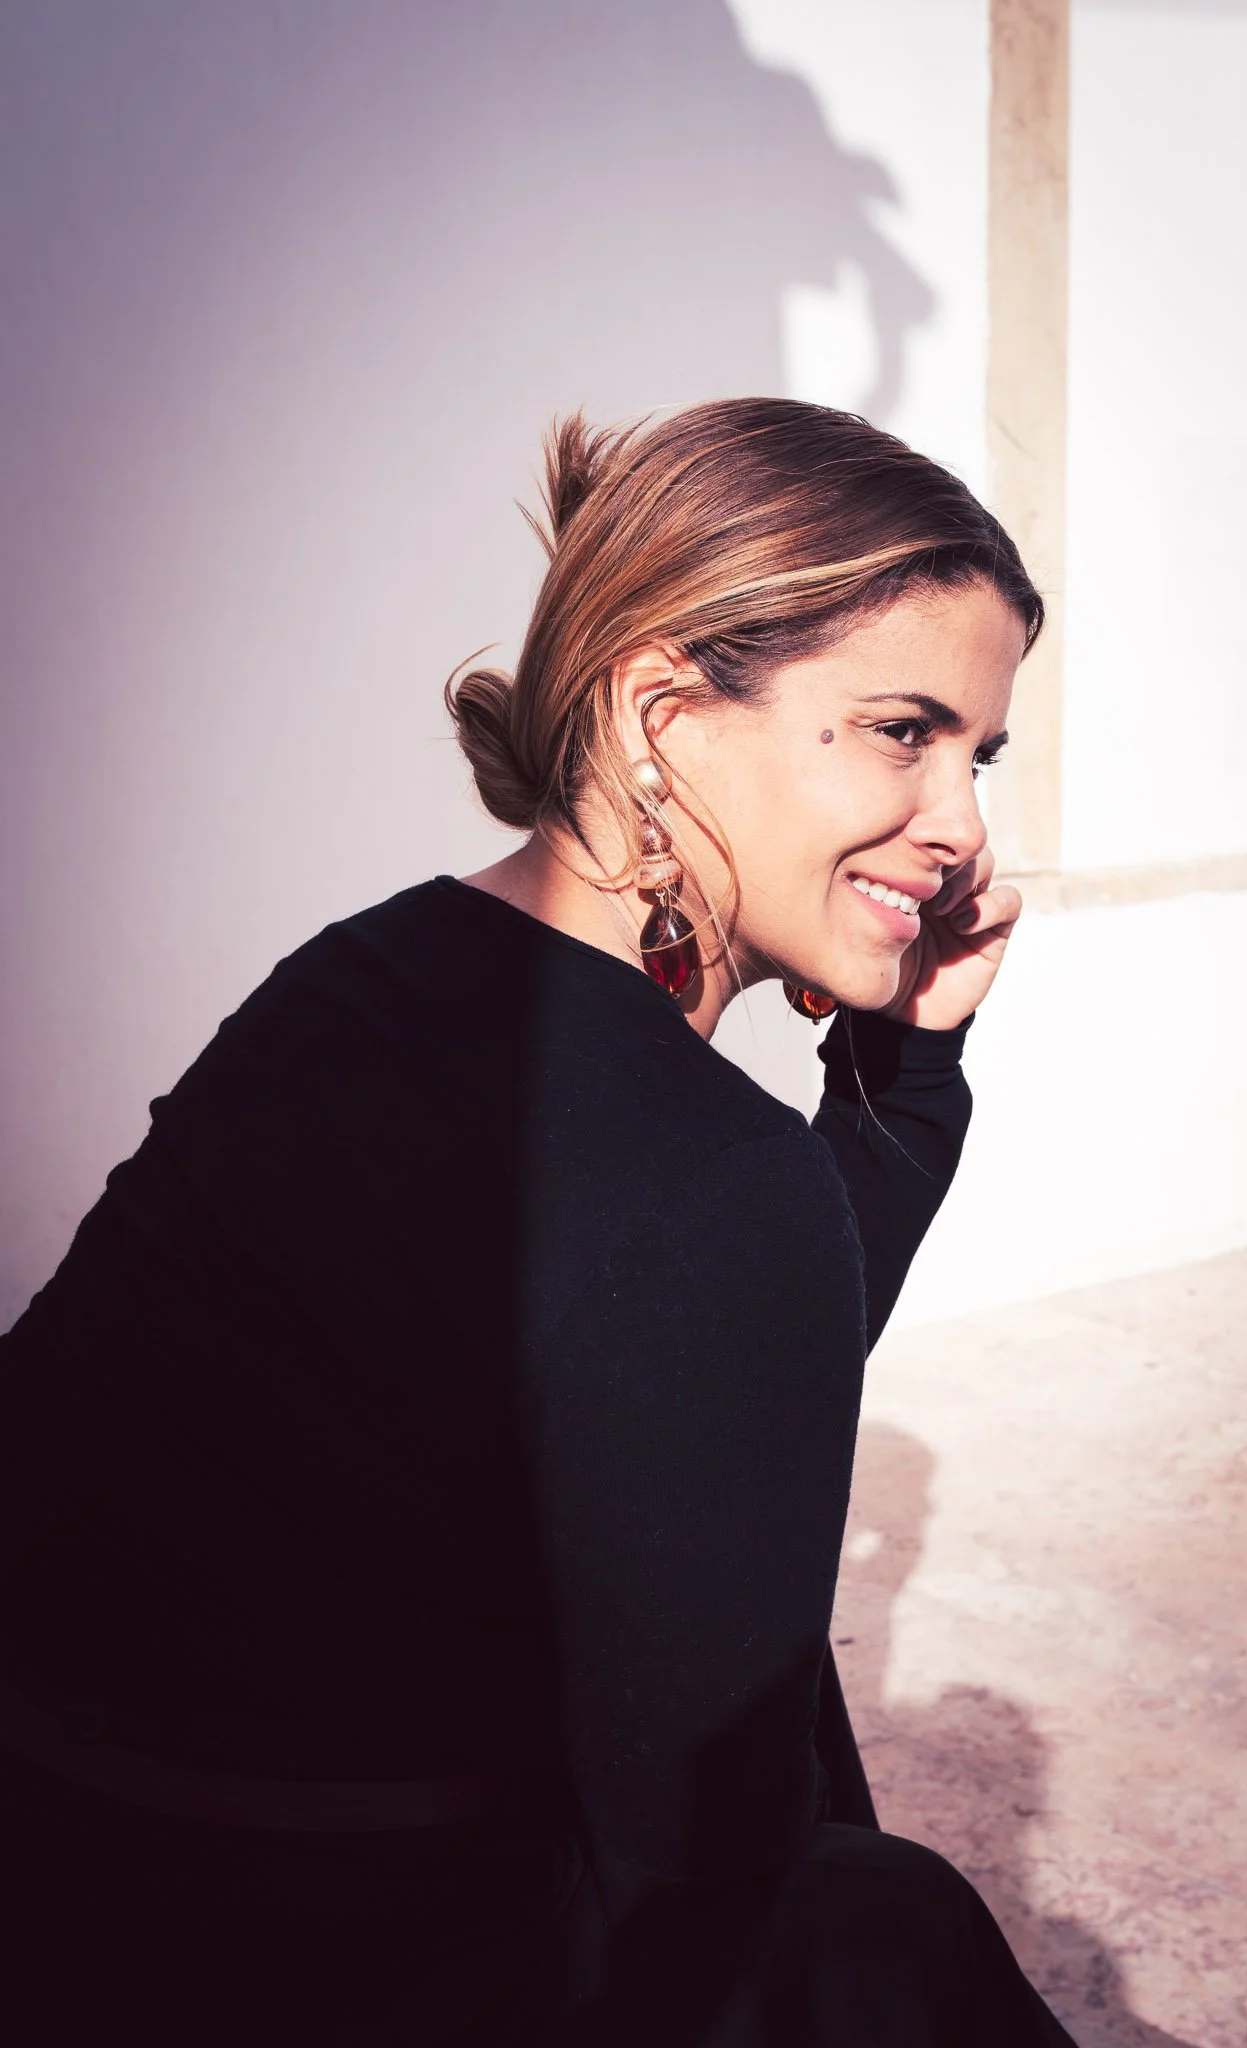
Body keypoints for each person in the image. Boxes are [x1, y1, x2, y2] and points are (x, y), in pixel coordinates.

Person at [0, 399, 1075, 2045]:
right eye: (901, 731)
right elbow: (688, 1921)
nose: (962, 831)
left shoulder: (366, 975)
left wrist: (902, 1061)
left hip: (86, 1898)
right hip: (318, 1966)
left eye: (976, 755)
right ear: (661, 714)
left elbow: (686, 1389)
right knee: (874, 1918)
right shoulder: (700, 1184)